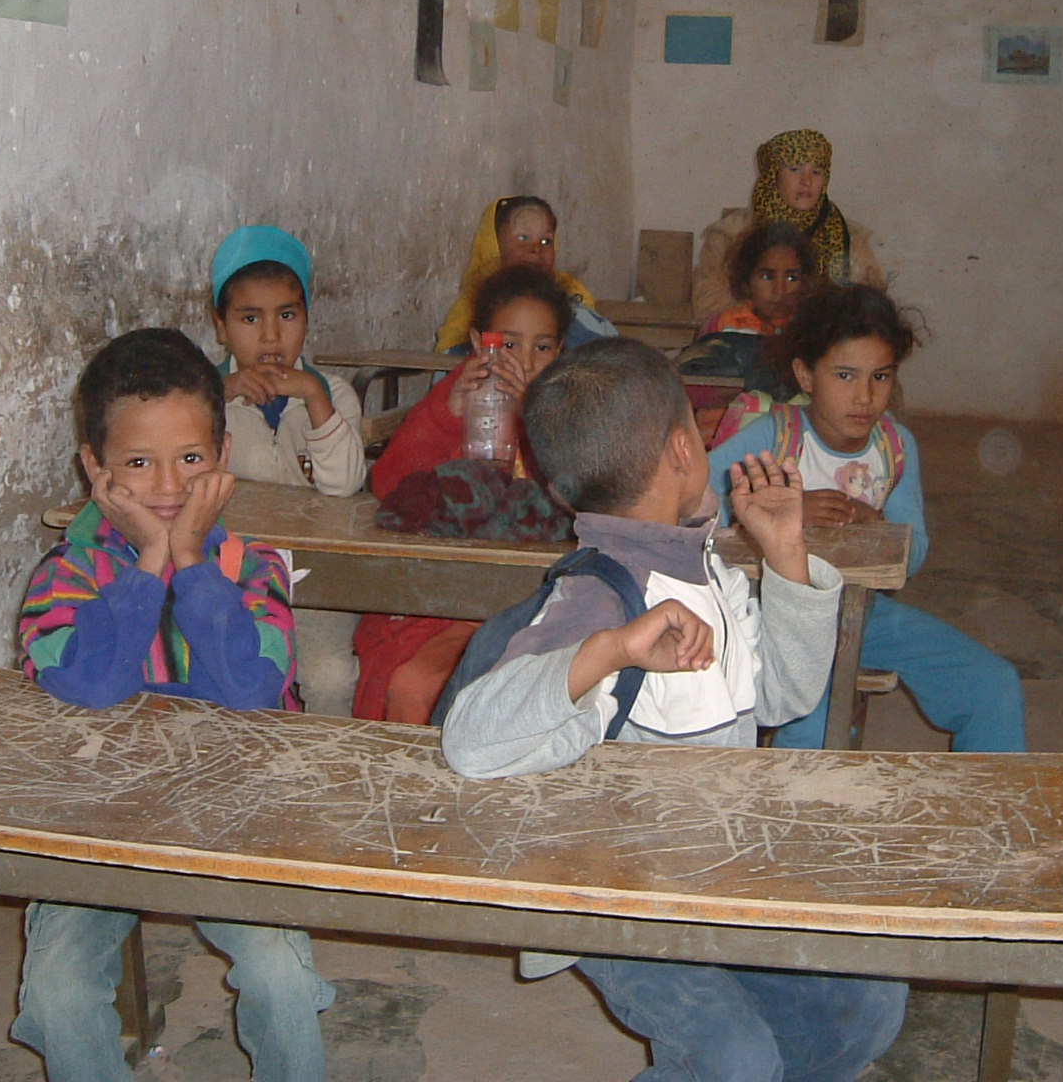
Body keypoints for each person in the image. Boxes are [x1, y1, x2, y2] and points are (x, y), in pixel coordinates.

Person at [442, 337, 908, 1082]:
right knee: (736, 1060)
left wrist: (786, 555)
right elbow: (470, 740)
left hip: (712, 867)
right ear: (682, 451)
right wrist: (610, 650)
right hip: (615, 897)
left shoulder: (704, 564)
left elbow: (782, 698)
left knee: (865, 1006)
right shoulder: (599, 597)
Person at [12, 328, 332, 1082]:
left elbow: (250, 690)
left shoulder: (251, 569)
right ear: (94, 468)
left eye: (190, 459)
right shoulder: (66, 575)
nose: (166, 486)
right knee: (57, 993)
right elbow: (90, 686)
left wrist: (189, 563)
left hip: (235, 812)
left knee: (281, 977)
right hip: (98, 818)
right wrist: (148, 564)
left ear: (223, 455)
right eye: (137, 462)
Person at [707, 285, 1026, 753]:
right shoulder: (773, 439)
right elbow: (693, 503)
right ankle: (793, 802)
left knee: (993, 686)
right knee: (811, 724)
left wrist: (874, 524)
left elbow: (913, 554)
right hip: (774, 622)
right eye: (845, 375)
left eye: (881, 376)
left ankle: (991, 799)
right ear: (805, 375)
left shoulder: (894, 448)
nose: (865, 396)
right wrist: (774, 510)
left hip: (861, 617)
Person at [353, 266, 574, 723]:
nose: (525, 362)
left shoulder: (568, 413)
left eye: (542, 348)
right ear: (479, 344)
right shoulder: (457, 399)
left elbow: (576, 493)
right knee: (412, 683)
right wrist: (447, 414)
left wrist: (536, 416)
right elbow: (391, 486)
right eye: (509, 345)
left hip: (529, 600)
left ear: (560, 352)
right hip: (442, 598)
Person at [210, 224, 366, 715]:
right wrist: (218, 396)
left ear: (306, 320)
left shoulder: (333, 394)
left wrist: (314, 397)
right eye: (249, 318)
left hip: (319, 578)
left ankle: (328, 764)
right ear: (221, 327)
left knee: (330, 677)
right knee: (229, 672)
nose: (270, 335)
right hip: (228, 575)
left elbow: (344, 485)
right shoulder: (199, 399)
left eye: (286, 315)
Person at [691, 129, 884, 320]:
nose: (806, 181)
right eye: (795, 169)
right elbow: (708, 304)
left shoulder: (850, 237)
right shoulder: (730, 234)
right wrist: (770, 320)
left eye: (816, 172)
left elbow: (873, 308)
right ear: (773, 174)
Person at [678, 221, 813, 442]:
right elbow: (692, 388)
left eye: (791, 278)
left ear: (804, 282)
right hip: (719, 444)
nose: (780, 290)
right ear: (747, 282)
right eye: (767, 276)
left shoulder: (809, 331)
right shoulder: (723, 324)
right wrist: (738, 387)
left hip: (790, 444)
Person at [434, 195, 613, 351]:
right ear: (494, 246)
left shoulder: (574, 310)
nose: (536, 248)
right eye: (522, 237)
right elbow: (447, 369)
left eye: (546, 241)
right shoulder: (470, 312)